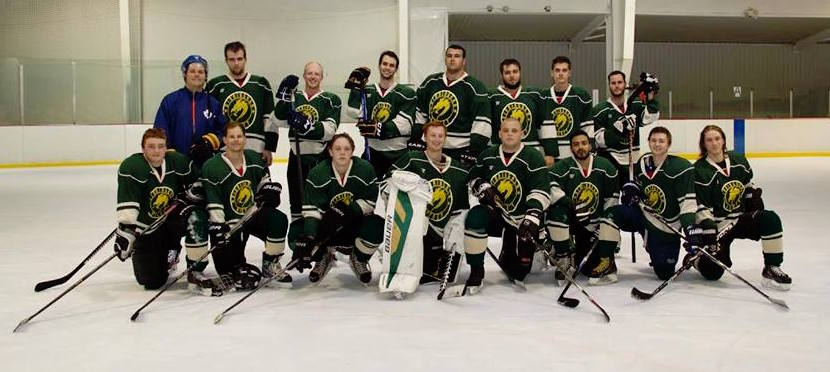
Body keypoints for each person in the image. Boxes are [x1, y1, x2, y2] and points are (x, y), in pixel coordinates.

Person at [691, 125, 792, 290]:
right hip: (719, 225)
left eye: (717, 138)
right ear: (703, 144)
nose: (714, 143)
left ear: (723, 140)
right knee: (713, 272)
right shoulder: (700, 170)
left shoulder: (739, 160)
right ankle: (696, 259)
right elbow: (701, 204)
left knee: (769, 219)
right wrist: (707, 225)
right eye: (709, 140)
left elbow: (746, 185)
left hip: (739, 218)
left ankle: (771, 268)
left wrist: (752, 196)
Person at [198, 122, 290, 295]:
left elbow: (263, 181)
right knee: (230, 272)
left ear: (245, 139)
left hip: (251, 215)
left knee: (278, 219)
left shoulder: (254, 159)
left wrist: (269, 190)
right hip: (228, 224)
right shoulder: (212, 166)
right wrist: (219, 227)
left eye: (239, 136)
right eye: (231, 137)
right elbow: (213, 199)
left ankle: (270, 263)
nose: (235, 140)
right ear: (224, 139)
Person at [617, 126, 716, 280]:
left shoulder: (681, 168)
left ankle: (663, 250)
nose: (657, 144)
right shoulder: (642, 163)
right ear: (648, 142)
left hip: (668, 226)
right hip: (646, 218)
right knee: (616, 213)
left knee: (664, 272)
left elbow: (687, 204)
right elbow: (634, 183)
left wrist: (689, 228)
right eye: (654, 140)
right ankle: (608, 259)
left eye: (661, 141)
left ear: (668, 144)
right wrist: (630, 189)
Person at [464, 117, 551, 291]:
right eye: (506, 130)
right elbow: (472, 178)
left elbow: (541, 189)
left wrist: (532, 216)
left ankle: (525, 251)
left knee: (522, 271)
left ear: (523, 134)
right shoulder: (488, 155)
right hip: (496, 214)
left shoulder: (533, 156)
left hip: (522, 218)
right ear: (499, 134)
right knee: (474, 219)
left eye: (514, 131)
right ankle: (476, 272)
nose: (510, 134)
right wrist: (481, 185)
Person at [381, 121, 470, 284]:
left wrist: (454, 240)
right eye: (432, 136)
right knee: (420, 268)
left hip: (441, 228)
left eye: (440, 136)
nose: (436, 140)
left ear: (445, 138)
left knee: (441, 272)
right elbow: (386, 185)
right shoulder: (411, 160)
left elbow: (461, 210)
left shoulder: (459, 170)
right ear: (425, 137)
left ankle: (444, 257)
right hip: (415, 227)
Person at [291, 133, 382, 284]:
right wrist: (310, 238)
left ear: (352, 152)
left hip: (355, 225)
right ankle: (323, 257)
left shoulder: (365, 169)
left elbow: (370, 202)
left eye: (346, 149)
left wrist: (346, 212)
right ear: (330, 151)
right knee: (296, 234)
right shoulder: (317, 173)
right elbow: (311, 209)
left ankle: (358, 258)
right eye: (338, 148)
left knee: (377, 227)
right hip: (327, 228)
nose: (342, 152)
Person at [114, 128, 199, 289]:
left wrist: (187, 195)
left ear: (166, 148)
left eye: (160, 146)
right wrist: (127, 230)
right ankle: (158, 255)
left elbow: (197, 184)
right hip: (147, 229)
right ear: (143, 148)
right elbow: (128, 200)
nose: (156, 151)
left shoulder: (177, 161)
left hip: (170, 223)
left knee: (193, 215)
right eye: (151, 146)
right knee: (151, 281)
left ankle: (174, 249)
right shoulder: (132, 167)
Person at [273, 61, 342, 252]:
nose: (313, 77)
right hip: (296, 157)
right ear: (304, 76)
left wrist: (307, 126)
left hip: (320, 160)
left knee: (322, 204)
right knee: (297, 204)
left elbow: (330, 130)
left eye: (316, 74)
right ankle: (299, 246)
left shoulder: (331, 99)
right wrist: (285, 98)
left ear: (322, 76)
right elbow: (278, 119)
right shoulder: (295, 97)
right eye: (309, 73)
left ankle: (325, 247)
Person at [546, 130, 621, 285]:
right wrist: (572, 205)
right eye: (576, 144)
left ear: (590, 145)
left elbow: (612, 199)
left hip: (595, 226)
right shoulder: (563, 166)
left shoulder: (605, 166)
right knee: (556, 212)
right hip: (574, 222)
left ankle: (601, 258)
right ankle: (564, 254)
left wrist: (604, 224)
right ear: (571, 148)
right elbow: (550, 186)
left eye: (584, 143)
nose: (580, 147)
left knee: (587, 269)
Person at [411, 44, 491, 166]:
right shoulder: (431, 82)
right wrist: (417, 138)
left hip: (461, 150)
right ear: (445, 59)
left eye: (457, 56)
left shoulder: (475, 87)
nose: (452, 59)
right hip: (432, 146)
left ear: (464, 61)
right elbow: (420, 112)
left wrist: (475, 150)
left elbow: (482, 121)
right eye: (449, 56)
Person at [345, 51, 416, 177]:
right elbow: (353, 112)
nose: (387, 68)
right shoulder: (368, 90)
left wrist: (378, 128)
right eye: (385, 64)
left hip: (398, 154)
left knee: (395, 194)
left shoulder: (406, 93)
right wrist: (355, 88)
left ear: (396, 69)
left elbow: (404, 126)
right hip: (373, 152)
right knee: (368, 190)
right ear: (379, 65)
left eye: (391, 65)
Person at [207, 41, 277, 165]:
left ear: (245, 59)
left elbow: (269, 118)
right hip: (225, 151)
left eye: (239, 59)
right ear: (226, 61)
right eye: (232, 59)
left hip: (257, 150)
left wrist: (269, 147)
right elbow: (210, 120)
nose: (236, 63)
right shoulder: (215, 85)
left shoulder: (260, 84)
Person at [154, 54, 226, 167]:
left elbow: (223, 131)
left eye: (201, 72)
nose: (196, 74)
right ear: (185, 74)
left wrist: (209, 143)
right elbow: (159, 131)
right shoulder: (170, 101)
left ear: (206, 76)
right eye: (192, 71)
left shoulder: (214, 104)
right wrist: (171, 155)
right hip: (176, 165)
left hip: (206, 165)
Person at [592, 70, 659, 186]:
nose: (617, 86)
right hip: (611, 164)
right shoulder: (599, 110)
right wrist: (620, 129)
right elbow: (600, 141)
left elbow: (651, 117)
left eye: (619, 82)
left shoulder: (635, 104)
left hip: (633, 163)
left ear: (625, 84)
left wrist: (650, 96)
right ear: (609, 85)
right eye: (613, 83)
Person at [488, 58, 550, 164]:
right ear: (501, 75)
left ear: (520, 73)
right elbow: (487, 128)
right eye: (507, 72)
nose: (512, 76)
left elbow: (544, 124)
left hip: (532, 153)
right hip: (502, 154)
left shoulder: (534, 95)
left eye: (515, 71)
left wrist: (550, 152)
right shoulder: (491, 96)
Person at [540, 56, 594, 161]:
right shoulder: (543, 97)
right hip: (550, 157)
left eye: (564, 70)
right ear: (552, 73)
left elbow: (587, 127)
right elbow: (539, 129)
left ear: (569, 73)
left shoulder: (581, 96)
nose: (560, 73)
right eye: (557, 70)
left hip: (575, 154)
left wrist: (588, 151)